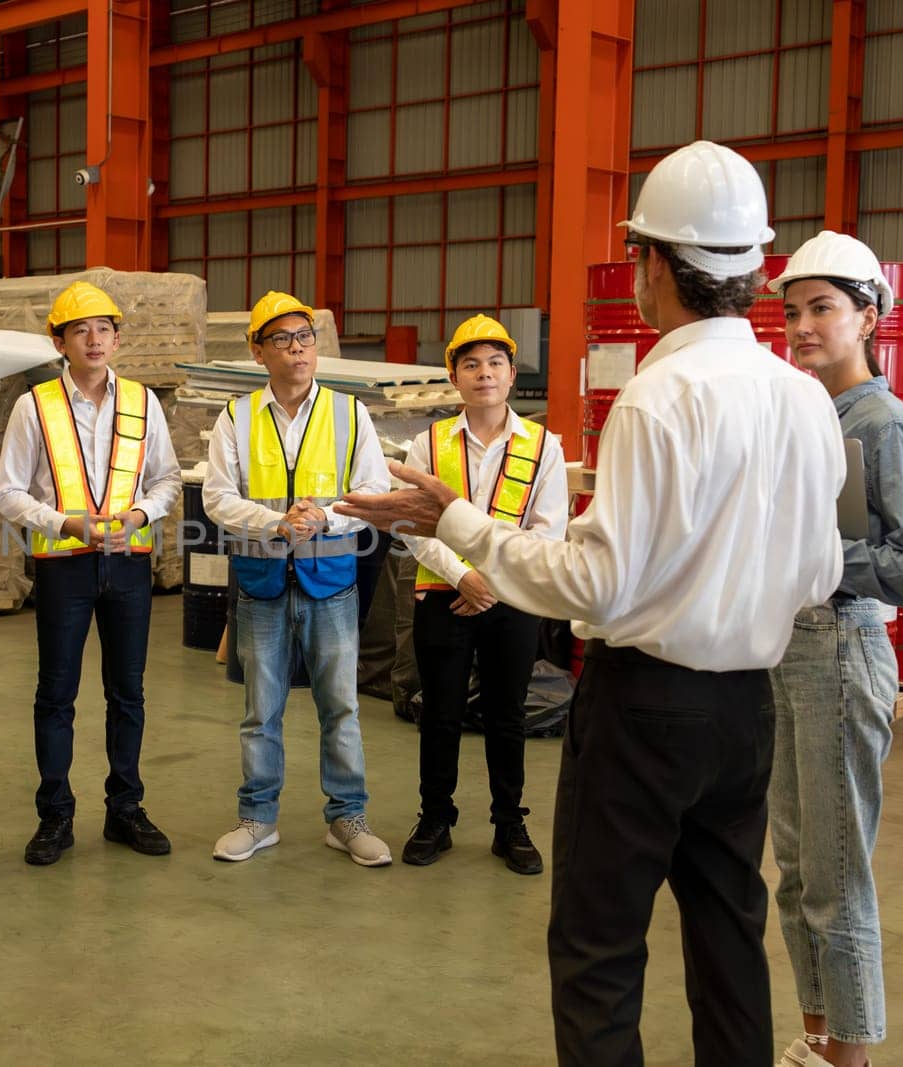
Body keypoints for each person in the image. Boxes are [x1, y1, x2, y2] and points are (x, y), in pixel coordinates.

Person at [336, 140, 846, 1065]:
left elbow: (597, 584)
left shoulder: (659, 395)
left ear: (653, 263)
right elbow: (819, 575)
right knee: (729, 932)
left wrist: (456, 520)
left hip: (645, 708)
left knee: (599, 945)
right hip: (746, 709)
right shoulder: (803, 397)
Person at [767, 233, 903, 1067]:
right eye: (793, 311)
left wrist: (820, 559)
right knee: (799, 867)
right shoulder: (814, 413)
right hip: (791, 650)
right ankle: (817, 1036)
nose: (802, 326)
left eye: (822, 309)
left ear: (868, 317)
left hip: (842, 649)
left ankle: (849, 1056)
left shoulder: (884, 421)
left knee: (837, 874)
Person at [0, 281, 183, 865]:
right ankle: (55, 814)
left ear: (118, 338)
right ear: (60, 341)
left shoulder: (144, 402)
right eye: (81, 330)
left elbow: (168, 481)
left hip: (129, 565)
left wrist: (139, 514)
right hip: (65, 568)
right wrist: (64, 523)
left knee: (128, 692)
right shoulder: (35, 406)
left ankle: (125, 809)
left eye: (104, 329)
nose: (94, 339)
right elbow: (7, 492)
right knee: (56, 694)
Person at [203, 291, 392, 866]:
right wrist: (274, 522)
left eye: (304, 338)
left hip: (330, 582)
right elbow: (216, 497)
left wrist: (324, 518)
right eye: (282, 340)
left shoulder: (349, 413)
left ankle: (347, 818)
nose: (297, 349)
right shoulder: (235, 417)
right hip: (260, 582)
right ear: (258, 351)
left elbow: (375, 490)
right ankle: (258, 818)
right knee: (262, 711)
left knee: (341, 707)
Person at [397, 314, 567, 873]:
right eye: (471, 364)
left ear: (512, 374)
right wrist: (462, 577)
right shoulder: (427, 443)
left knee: (506, 714)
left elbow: (550, 529)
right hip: (444, 594)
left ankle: (509, 824)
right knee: (440, 712)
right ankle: (435, 818)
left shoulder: (544, 446)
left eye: (495, 363)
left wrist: (490, 582)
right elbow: (412, 524)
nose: (484, 374)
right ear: (454, 375)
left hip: (510, 600)